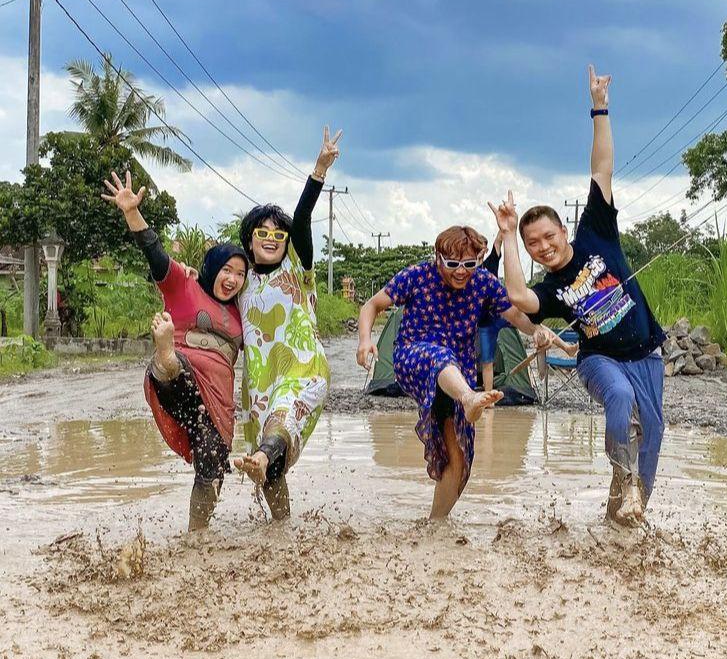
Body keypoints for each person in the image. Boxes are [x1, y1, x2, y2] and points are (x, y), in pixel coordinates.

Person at [490, 66, 666, 526]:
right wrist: (508, 236)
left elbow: (601, 167)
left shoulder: (596, 232)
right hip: (598, 361)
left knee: (650, 445)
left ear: (563, 230)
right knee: (619, 400)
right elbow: (518, 297)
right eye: (533, 244)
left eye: (547, 236)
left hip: (647, 355)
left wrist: (599, 106)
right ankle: (624, 479)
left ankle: (621, 517)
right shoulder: (548, 289)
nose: (543, 247)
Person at [356, 225, 575, 519]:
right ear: (438, 258)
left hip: (457, 375)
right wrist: (365, 339)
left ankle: (436, 526)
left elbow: (514, 315)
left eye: (469, 264)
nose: (462, 272)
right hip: (414, 357)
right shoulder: (417, 276)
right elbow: (372, 305)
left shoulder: (483, 282)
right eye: (453, 264)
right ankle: (469, 398)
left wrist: (535, 330)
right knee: (439, 356)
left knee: (459, 460)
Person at [102, 170, 248, 530]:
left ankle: (196, 535)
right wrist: (131, 213)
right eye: (227, 270)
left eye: (240, 274)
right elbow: (156, 254)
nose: (232, 279)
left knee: (213, 460)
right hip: (178, 376)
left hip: (216, 403)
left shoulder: (241, 315)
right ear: (213, 268)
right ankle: (165, 354)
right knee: (176, 369)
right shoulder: (184, 286)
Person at [232, 127, 342, 520]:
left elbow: (304, 218)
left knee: (277, 430)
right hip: (259, 386)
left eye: (278, 234)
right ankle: (282, 534)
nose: (272, 237)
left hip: (303, 371)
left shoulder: (299, 269)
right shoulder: (238, 282)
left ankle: (264, 458)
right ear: (249, 241)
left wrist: (319, 170)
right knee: (270, 468)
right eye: (262, 232)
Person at [478, 232, 508, 394]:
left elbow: (498, 241)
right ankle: (489, 397)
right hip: (484, 323)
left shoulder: (491, 262)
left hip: (502, 314)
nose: (481, 250)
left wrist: (503, 226)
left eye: (483, 247)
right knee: (487, 361)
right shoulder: (466, 271)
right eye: (478, 247)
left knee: (531, 320)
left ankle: (566, 347)